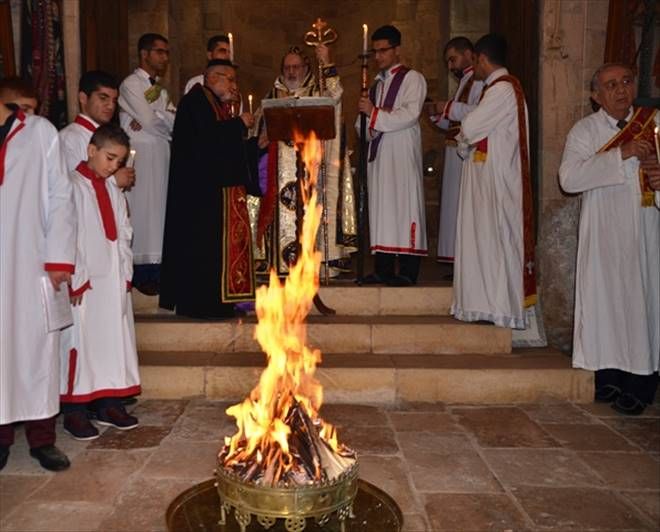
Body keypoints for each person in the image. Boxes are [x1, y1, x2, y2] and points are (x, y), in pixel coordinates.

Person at [559, 63, 660, 415]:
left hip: (645, 231)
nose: (621, 90)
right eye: (611, 85)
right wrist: (624, 153)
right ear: (595, 95)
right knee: (605, 300)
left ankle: (641, 381)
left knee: (640, 300)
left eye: (627, 82)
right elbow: (569, 179)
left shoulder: (655, 123)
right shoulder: (584, 131)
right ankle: (608, 373)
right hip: (602, 232)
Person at [0, 101, 76, 471]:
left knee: (36, 350)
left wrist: (59, 258)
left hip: (31, 263)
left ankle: (42, 439)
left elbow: (61, 196)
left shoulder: (39, 132)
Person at [160, 59, 260, 319]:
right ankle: (203, 304)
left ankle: (219, 302)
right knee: (203, 249)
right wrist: (238, 124)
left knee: (213, 250)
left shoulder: (214, 104)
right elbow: (207, 140)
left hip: (213, 192)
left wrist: (254, 144)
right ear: (213, 77)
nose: (234, 85)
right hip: (200, 196)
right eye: (230, 79)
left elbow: (224, 145)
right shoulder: (196, 102)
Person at [60, 124, 140, 439]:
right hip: (84, 282)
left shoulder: (111, 188)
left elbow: (124, 232)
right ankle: (75, 410)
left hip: (111, 279)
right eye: (109, 158)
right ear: (91, 150)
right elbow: (68, 234)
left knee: (112, 343)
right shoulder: (69, 185)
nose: (113, 167)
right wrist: (76, 278)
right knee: (82, 343)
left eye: (119, 162)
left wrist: (124, 273)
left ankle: (108, 402)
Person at [451, 33, 535, 329]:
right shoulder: (500, 89)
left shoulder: (502, 89)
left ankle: (499, 309)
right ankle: (483, 305)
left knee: (495, 242)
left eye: (475, 62)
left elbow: (471, 127)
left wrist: (463, 139)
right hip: (489, 178)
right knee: (485, 242)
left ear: (481, 59)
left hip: (496, 182)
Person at [250, 45, 356, 278]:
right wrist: (261, 136)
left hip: (311, 166)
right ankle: (278, 264)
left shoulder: (317, 91)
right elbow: (259, 126)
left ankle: (316, 263)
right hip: (278, 169)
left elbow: (336, 94)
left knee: (312, 210)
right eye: (287, 67)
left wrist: (327, 62)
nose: (291, 72)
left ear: (306, 68)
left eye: (296, 67)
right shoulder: (272, 95)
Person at [357, 25, 427, 286]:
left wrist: (373, 114)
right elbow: (361, 126)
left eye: (383, 51)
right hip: (380, 155)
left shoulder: (413, 79)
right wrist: (367, 121)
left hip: (401, 152)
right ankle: (383, 268)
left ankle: (408, 270)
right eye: (375, 52)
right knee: (382, 209)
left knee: (404, 205)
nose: (378, 57)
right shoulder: (375, 85)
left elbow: (409, 114)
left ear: (398, 50)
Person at [119, 33, 175, 295]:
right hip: (140, 156)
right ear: (144, 54)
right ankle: (142, 270)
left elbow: (172, 122)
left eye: (166, 52)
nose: (164, 57)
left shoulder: (161, 89)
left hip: (160, 154)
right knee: (142, 210)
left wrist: (158, 118)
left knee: (160, 210)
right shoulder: (130, 84)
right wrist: (158, 120)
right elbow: (150, 120)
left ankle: (160, 268)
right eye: (159, 52)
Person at [426, 37, 483, 268]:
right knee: (453, 208)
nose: (451, 67)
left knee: (463, 208)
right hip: (454, 154)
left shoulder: (480, 81)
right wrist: (435, 114)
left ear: (469, 54)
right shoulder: (465, 82)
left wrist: (447, 107)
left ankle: (466, 262)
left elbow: (478, 112)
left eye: (453, 59)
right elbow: (453, 124)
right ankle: (457, 261)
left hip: (467, 154)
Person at [59, 70, 135, 189]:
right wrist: (114, 181)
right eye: (103, 98)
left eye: (114, 100)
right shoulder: (69, 138)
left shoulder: (113, 136)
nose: (111, 106)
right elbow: (71, 186)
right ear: (83, 98)